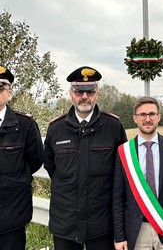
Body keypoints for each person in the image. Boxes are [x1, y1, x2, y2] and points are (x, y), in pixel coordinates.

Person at [44, 66, 127, 250]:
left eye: (89, 91)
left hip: (101, 224)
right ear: (71, 93)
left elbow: (121, 171)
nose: (84, 96)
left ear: (97, 93)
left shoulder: (113, 127)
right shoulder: (56, 129)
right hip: (65, 223)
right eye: (79, 91)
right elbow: (50, 166)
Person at [113, 96, 163, 250]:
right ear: (135, 118)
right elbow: (118, 197)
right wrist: (119, 236)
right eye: (142, 115)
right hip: (137, 230)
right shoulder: (124, 151)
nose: (147, 119)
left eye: (152, 114)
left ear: (158, 117)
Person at [0, 66, 43, 250]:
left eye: (0, 87)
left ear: (9, 92)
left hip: (13, 213)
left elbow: (35, 160)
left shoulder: (25, 124)